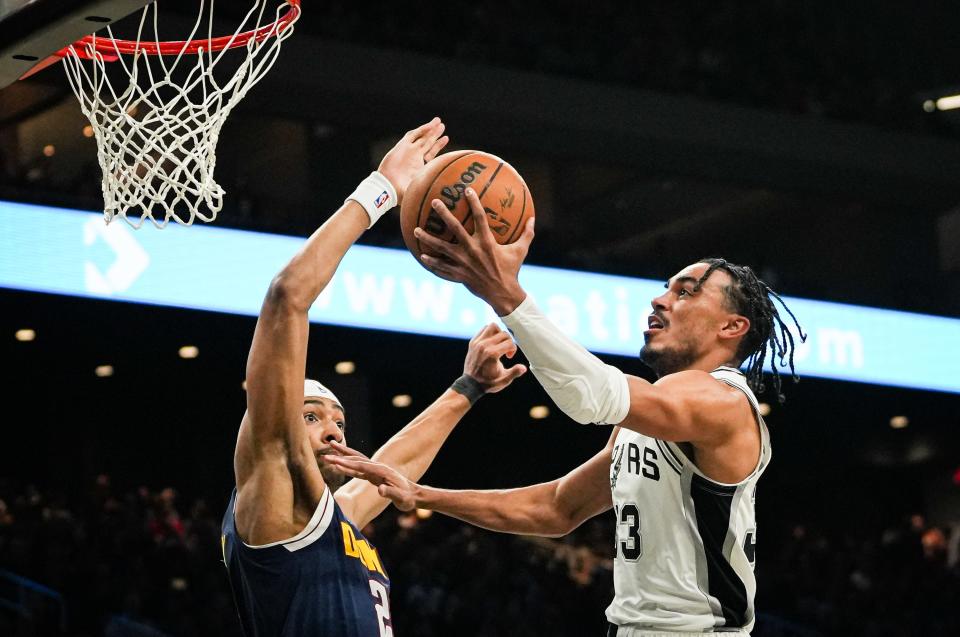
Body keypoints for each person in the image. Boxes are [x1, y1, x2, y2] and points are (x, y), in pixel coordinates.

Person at [325, 189, 806, 636]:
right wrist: (422, 493)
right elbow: (557, 508)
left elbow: (592, 396)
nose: (660, 299)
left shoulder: (722, 403)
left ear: (731, 326)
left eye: (686, 291)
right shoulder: (650, 418)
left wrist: (503, 292)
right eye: (666, 287)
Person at [219, 121, 527, 637]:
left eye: (338, 419)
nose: (334, 430)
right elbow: (286, 298)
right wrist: (379, 191)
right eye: (312, 416)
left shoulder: (330, 519)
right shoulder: (272, 482)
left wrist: (468, 387)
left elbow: (393, 467)